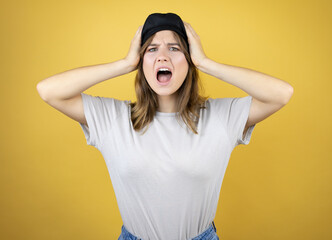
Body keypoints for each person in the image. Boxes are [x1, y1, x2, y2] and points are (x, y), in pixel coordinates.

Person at [36, 12, 293, 240]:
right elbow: (49, 91)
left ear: (188, 59)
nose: (162, 57)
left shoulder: (221, 117)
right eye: (151, 49)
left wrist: (206, 63)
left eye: (174, 49)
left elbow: (281, 94)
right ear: (141, 61)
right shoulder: (113, 118)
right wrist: (124, 64)